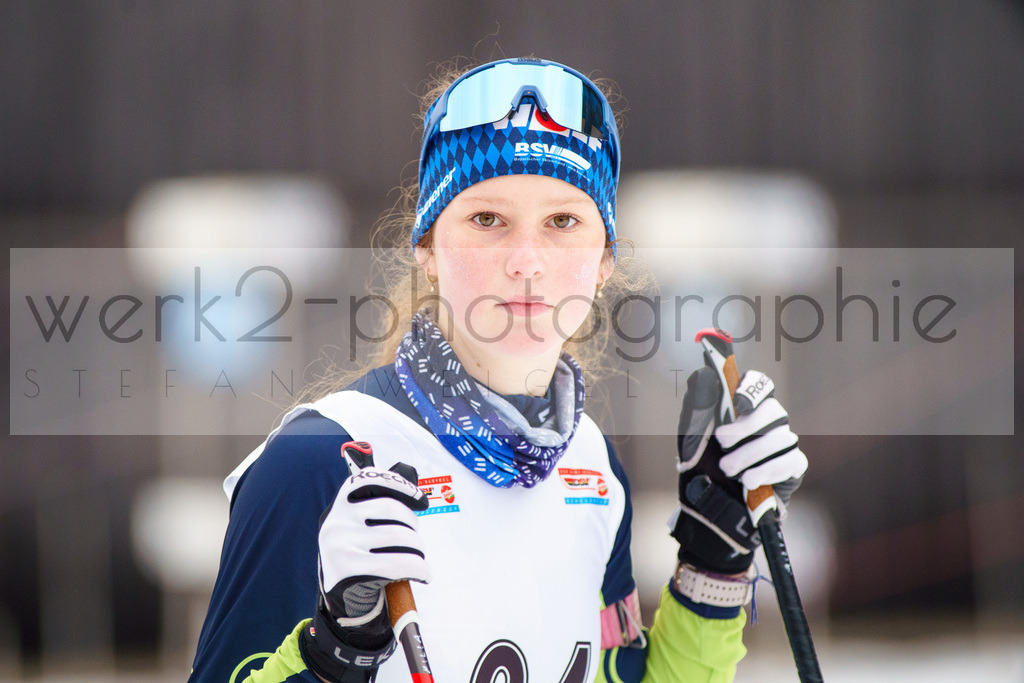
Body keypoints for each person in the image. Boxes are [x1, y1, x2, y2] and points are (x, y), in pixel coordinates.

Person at [188, 57, 808, 683]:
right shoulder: (316, 459)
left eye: (562, 221)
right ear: (426, 247)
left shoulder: (591, 467)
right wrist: (332, 653)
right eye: (488, 220)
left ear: (605, 261)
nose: (527, 261)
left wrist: (715, 555)